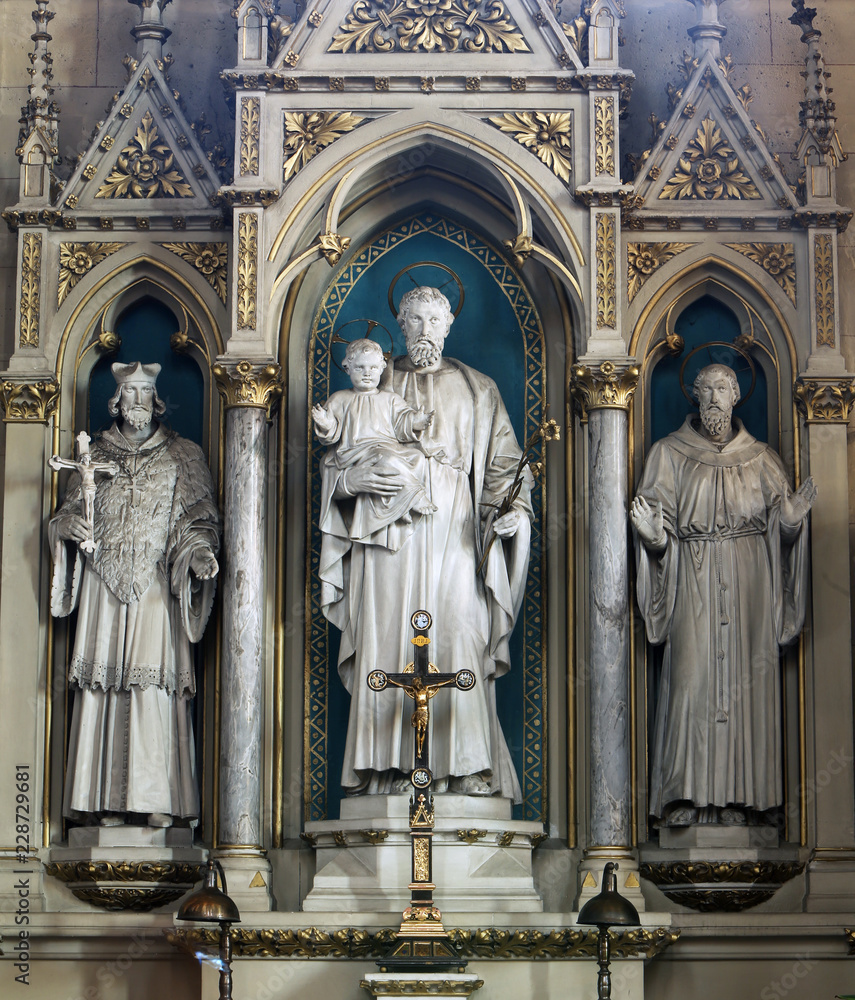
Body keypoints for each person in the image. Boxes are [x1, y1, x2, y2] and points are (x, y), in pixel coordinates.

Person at [319, 286, 532, 800]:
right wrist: (350, 484)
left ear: (449, 325)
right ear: (399, 322)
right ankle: (385, 770)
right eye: (413, 320)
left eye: (433, 320)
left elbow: (507, 468)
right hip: (385, 536)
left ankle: (465, 767)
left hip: (456, 532)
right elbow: (333, 461)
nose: (423, 330)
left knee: (459, 632)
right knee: (386, 642)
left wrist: (511, 515)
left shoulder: (478, 389)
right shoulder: (371, 383)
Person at [630, 364, 815, 827]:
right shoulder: (667, 454)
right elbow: (657, 524)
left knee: (749, 687)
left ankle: (748, 801)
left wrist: (789, 522)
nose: (714, 397)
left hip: (752, 580)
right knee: (690, 681)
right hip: (690, 578)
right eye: (706, 389)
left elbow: (782, 526)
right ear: (694, 397)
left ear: (736, 396)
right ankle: (685, 796)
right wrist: (655, 540)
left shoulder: (763, 459)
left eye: (722, 388)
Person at [50, 361, 220, 828]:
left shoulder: (183, 454)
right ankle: (102, 801)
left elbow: (198, 518)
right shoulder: (92, 455)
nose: (139, 401)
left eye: (147, 392)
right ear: (116, 400)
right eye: (130, 393)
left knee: (154, 688)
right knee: (101, 687)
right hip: (103, 585)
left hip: (157, 585)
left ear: (158, 399)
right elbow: (66, 514)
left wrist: (200, 554)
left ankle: (156, 798)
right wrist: (65, 527)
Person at [314, 338, 436, 548]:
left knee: (416, 458)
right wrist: (325, 423)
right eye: (360, 367)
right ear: (347, 368)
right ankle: (414, 495)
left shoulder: (390, 399)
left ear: (382, 368)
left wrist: (415, 421)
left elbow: (402, 422)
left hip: (387, 449)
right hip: (356, 453)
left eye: (372, 367)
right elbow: (331, 434)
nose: (367, 373)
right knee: (387, 459)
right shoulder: (340, 398)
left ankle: (400, 507)